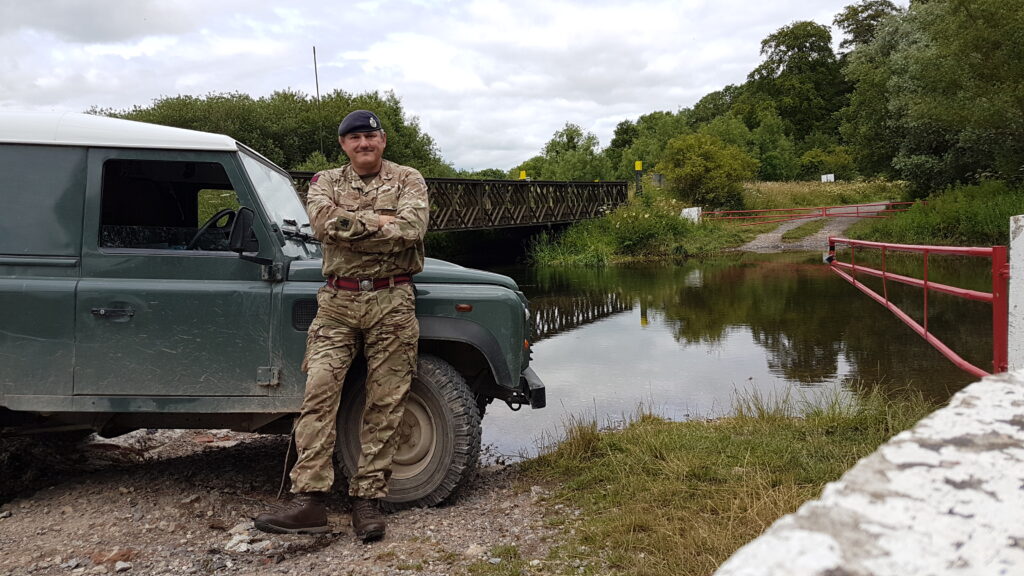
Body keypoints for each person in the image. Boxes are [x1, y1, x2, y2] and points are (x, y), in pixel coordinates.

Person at [254, 110, 429, 542]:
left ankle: (367, 502)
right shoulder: (324, 181)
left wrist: (354, 224)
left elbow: (412, 227)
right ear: (343, 145)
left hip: (392, 300)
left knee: (386, 401)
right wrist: (381, 223)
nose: (363, 143)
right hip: (338, 303)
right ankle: (310, 500)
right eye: (355, 138)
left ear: (383, 140)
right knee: (318, 393)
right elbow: (322, 225)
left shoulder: (409, 179)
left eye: (370, 136)